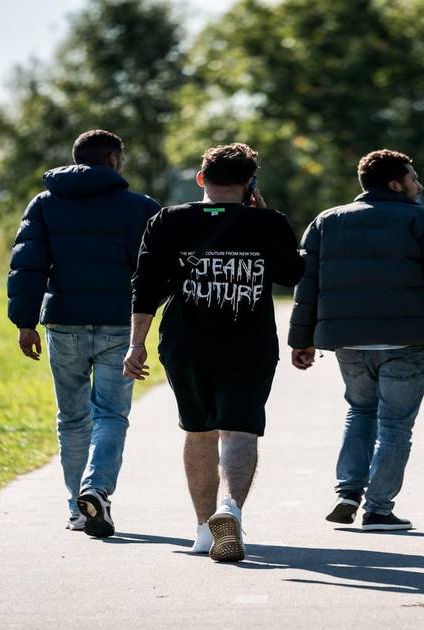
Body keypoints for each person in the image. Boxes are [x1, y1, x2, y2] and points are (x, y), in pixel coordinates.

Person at [289, 149, 424, 532]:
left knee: (360, 411)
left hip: (348, 341)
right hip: (407, 342)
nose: (419, 184)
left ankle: (348, 493)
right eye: (413, 177)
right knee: (395, 426)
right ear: (396, 184)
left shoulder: (326, 221)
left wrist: (301, 339)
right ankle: (378, 509)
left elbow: (307, 285)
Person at [125, 143, 304, 562]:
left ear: (201, 179)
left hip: (186, 343)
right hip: (249, 342)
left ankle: (204, 531)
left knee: (198, 429)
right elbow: (292, 275)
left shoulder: (168, 220)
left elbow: (146, 284)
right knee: (240, 428)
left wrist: (136, 343)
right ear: (249, 184)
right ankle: (231, 509)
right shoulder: (268, 221)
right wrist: (261, 214)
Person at [8, 130, 160, 537]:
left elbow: (28, 266)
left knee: (72, 418)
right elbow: (156, 271)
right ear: (113, 159)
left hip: (64, 323)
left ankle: (79, 509)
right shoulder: (141, 207)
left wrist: (24, 322)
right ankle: (97, 490)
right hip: (118, 325)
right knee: (110, 414)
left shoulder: (45, 203)